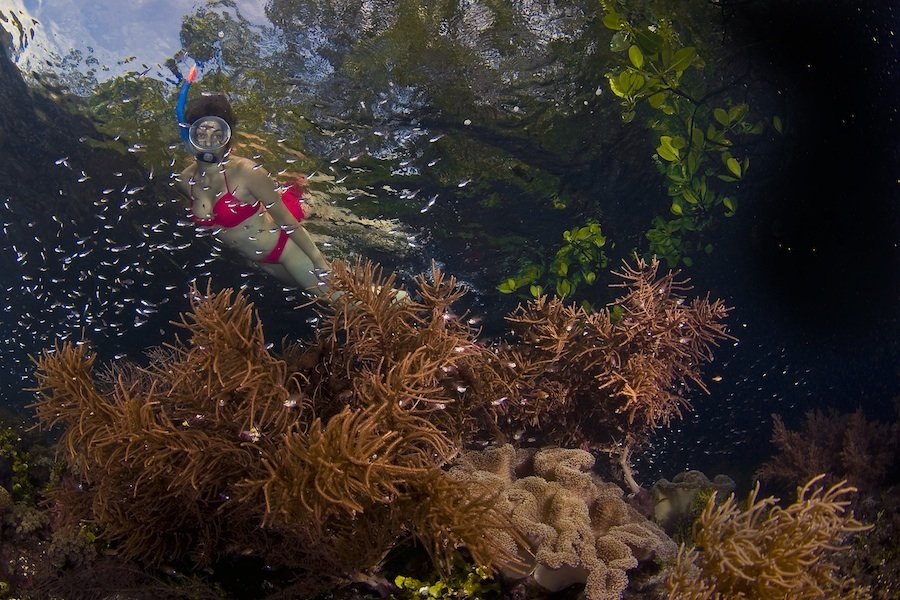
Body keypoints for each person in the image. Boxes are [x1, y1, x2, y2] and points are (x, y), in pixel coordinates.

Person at [174, 88, 331, 296]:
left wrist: (320, 264)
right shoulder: (184, 181)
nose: (209, 143)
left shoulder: (246, 172)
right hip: (262, 263)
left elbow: (286, 222)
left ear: (227, 138)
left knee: (346, 305)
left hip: (287, 250)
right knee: (323, 304)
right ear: (190, 136)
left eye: (217, 136)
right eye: (201, 134)